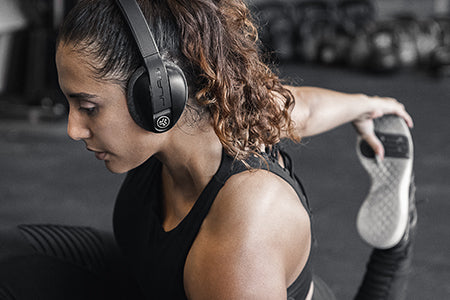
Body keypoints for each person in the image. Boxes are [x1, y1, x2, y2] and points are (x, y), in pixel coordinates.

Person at [0, 0, 416, 299]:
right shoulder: (218, 111)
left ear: (157, 97)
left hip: (227, 280)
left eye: (88, 107)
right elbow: (298, 107)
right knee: (15, 258)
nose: (73, 128)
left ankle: (395, 245)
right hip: (158, 277)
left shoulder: (244, 233)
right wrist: (366, 104)